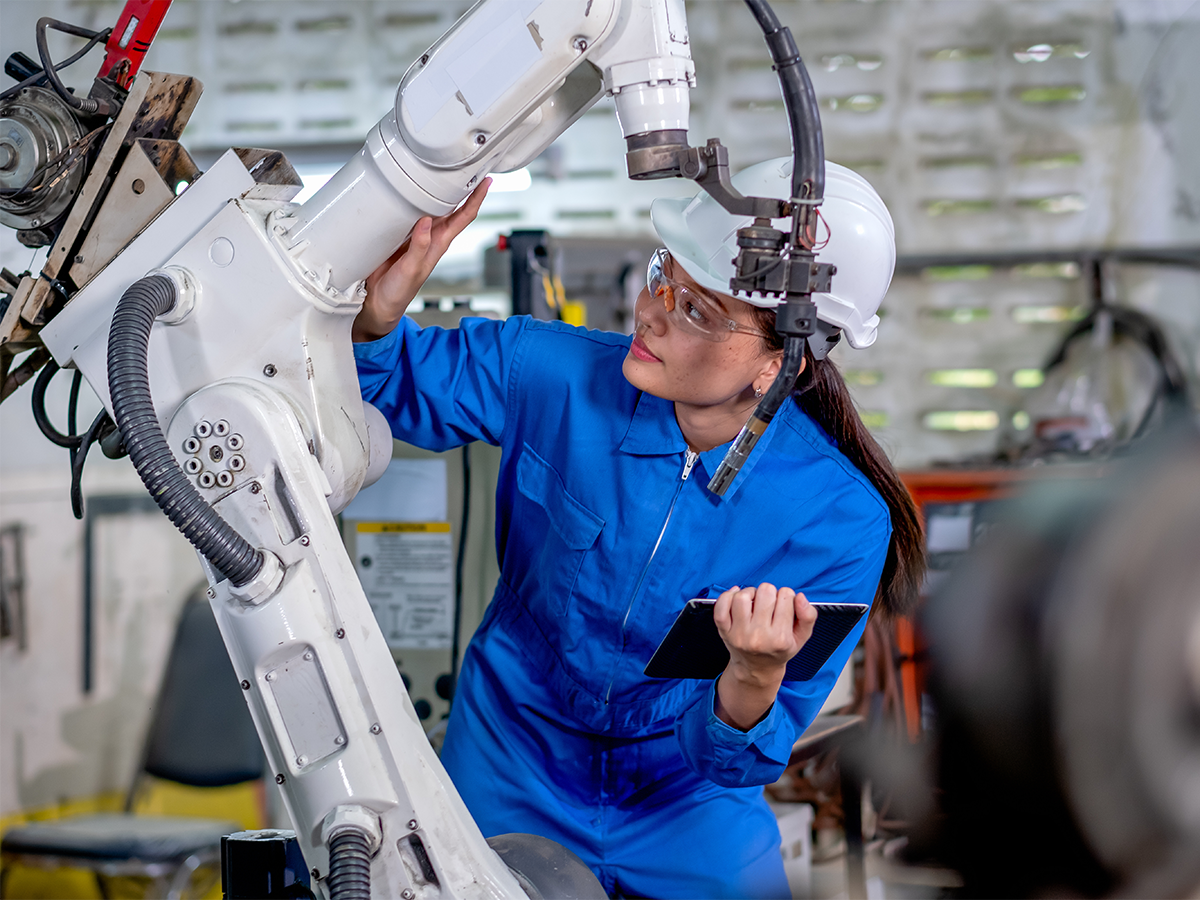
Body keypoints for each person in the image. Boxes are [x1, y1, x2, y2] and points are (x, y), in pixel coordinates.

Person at [352, 157, 925, 900]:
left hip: (686, 799)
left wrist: (751, 675)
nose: (651, 310)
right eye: (665, 274)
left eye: (698, 310)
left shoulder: (840, 518)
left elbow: (742, 756)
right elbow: (380, 382)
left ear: (776, 364)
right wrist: (375, 313)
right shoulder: (551, 372)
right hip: (512, 756)